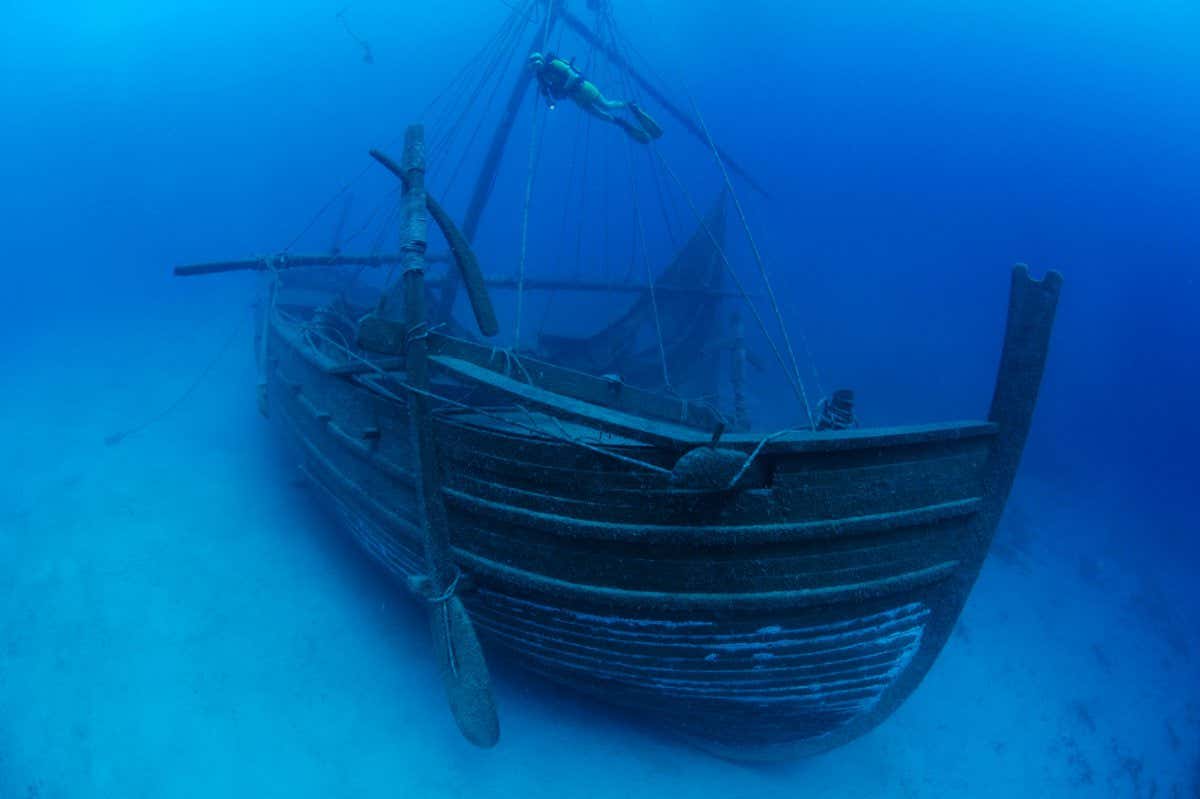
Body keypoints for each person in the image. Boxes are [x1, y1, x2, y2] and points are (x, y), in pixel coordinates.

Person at [527, 51, 663, 143]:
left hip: (583, 88)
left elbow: (572, 76)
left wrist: (563, 90)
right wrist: (550, 100)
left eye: (537, 63)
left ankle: (630, 106)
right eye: (533, 66)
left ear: (542, 60)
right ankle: (624, 124)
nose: (536, 67)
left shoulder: (554, 64)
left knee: (606, 105)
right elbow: (545, 93)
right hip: (575, 98)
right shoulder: (541, 77)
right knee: (602, 116)